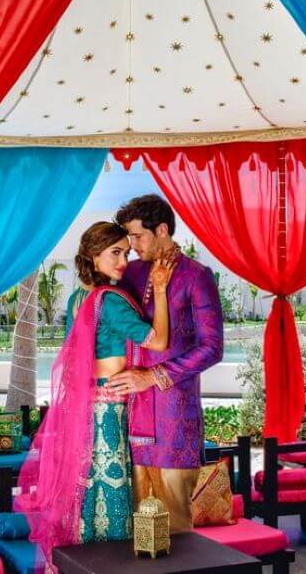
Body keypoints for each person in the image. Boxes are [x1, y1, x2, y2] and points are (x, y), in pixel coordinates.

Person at [16, 221, 173, 569]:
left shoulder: (78, 298)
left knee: (83, 488)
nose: (123, 260)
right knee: (111, 486)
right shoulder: (112, 301)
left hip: (85, 403)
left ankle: (79, 564)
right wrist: (160, 291)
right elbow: (159, 341)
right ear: (93, 255)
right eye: (115, 252)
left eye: (126, 252)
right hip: (110, 406)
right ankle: (111, 564)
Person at [107, 194, 224, 534]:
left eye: (138, 236)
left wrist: (154, 376)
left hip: (175, 419)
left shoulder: (196, 276)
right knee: (134, 527)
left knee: (175, 526)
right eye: (128, 238)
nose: (132, 245)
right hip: (129, 414)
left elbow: (213, 347)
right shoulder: (128, 276)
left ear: (161, 229)